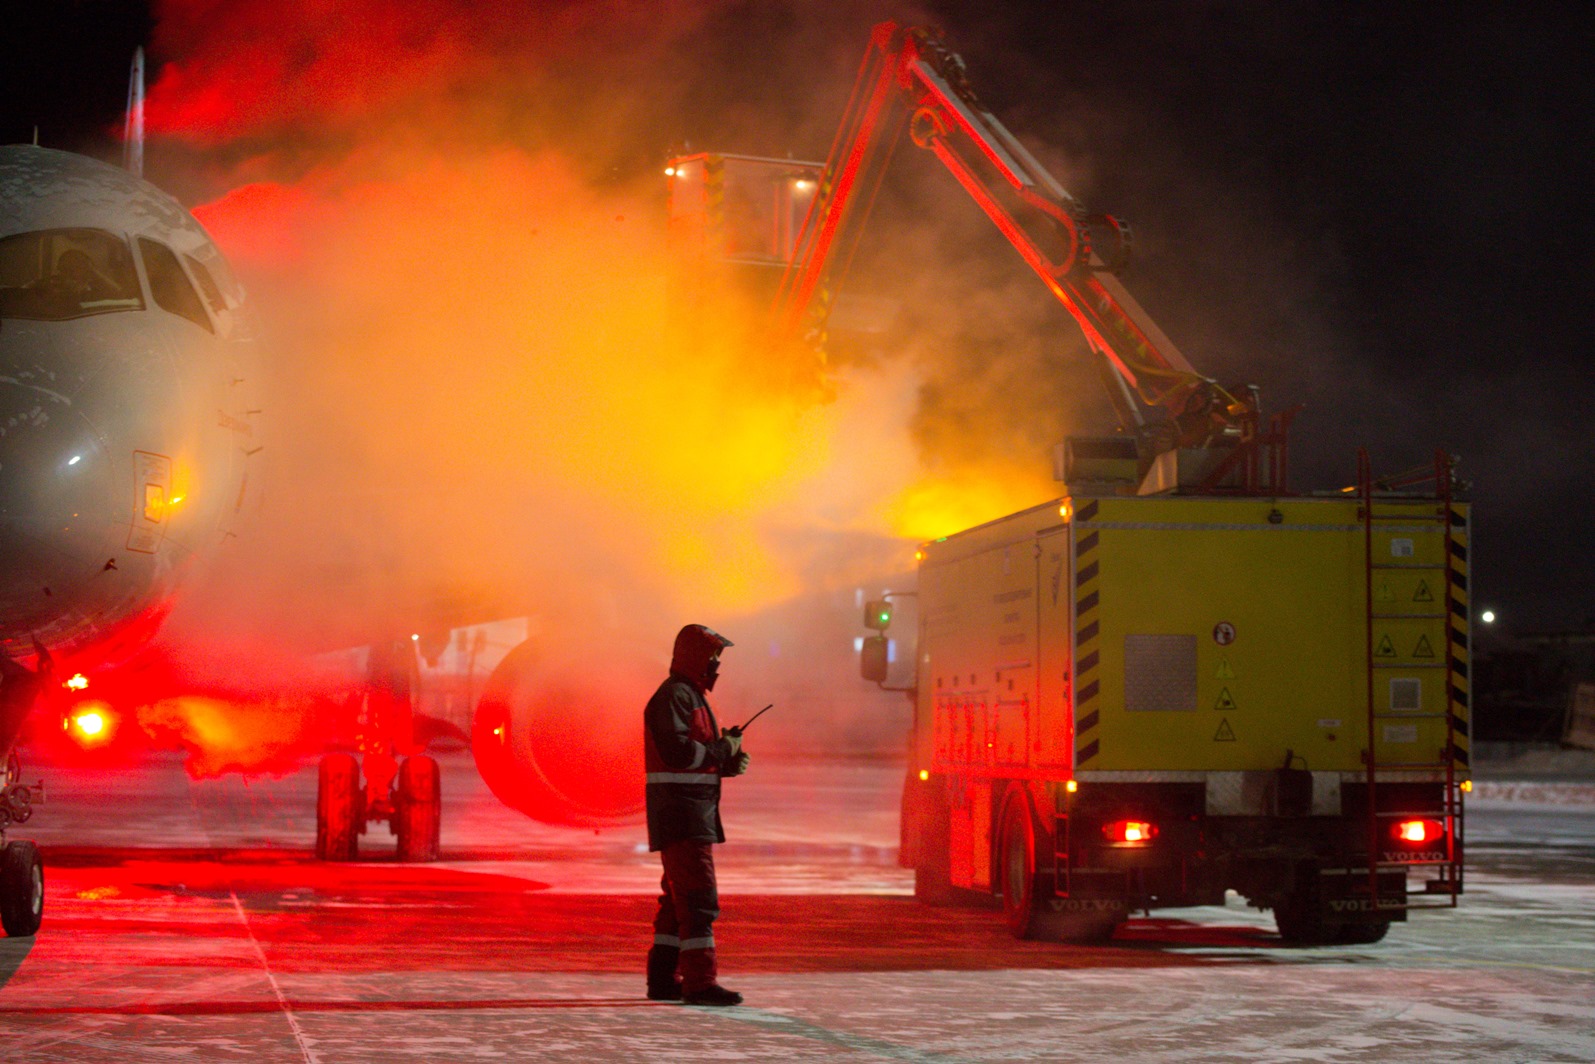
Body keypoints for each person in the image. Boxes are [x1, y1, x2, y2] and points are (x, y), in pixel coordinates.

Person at [643, 624, 751, 1006]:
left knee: (678, 901)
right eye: (712, 657)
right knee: (699, 900)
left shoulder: (687, 696)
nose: (717, 664)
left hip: (686, 814)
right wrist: (723, 751)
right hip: (683, 815)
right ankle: (700, 983)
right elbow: (680, 755)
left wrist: (726, 762)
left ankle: (663, 979)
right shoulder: (677, 697)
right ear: (695, 656)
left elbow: (690, 756)